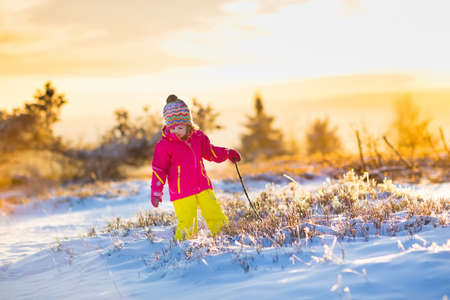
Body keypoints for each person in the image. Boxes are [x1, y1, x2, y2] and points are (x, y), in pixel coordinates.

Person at [150, 94, 241, 241]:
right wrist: (156, 191)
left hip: (203, 186)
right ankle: (183, 247)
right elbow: (159, 171)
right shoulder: (164, 146)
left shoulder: (198, 138)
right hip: (181, 192)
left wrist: (227, 153)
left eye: (180, 127)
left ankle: (225, 238)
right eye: (172, 128)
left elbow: (210, 152)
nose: (176, 132)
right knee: (187, 222)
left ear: (188, 125)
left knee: (214, 213)